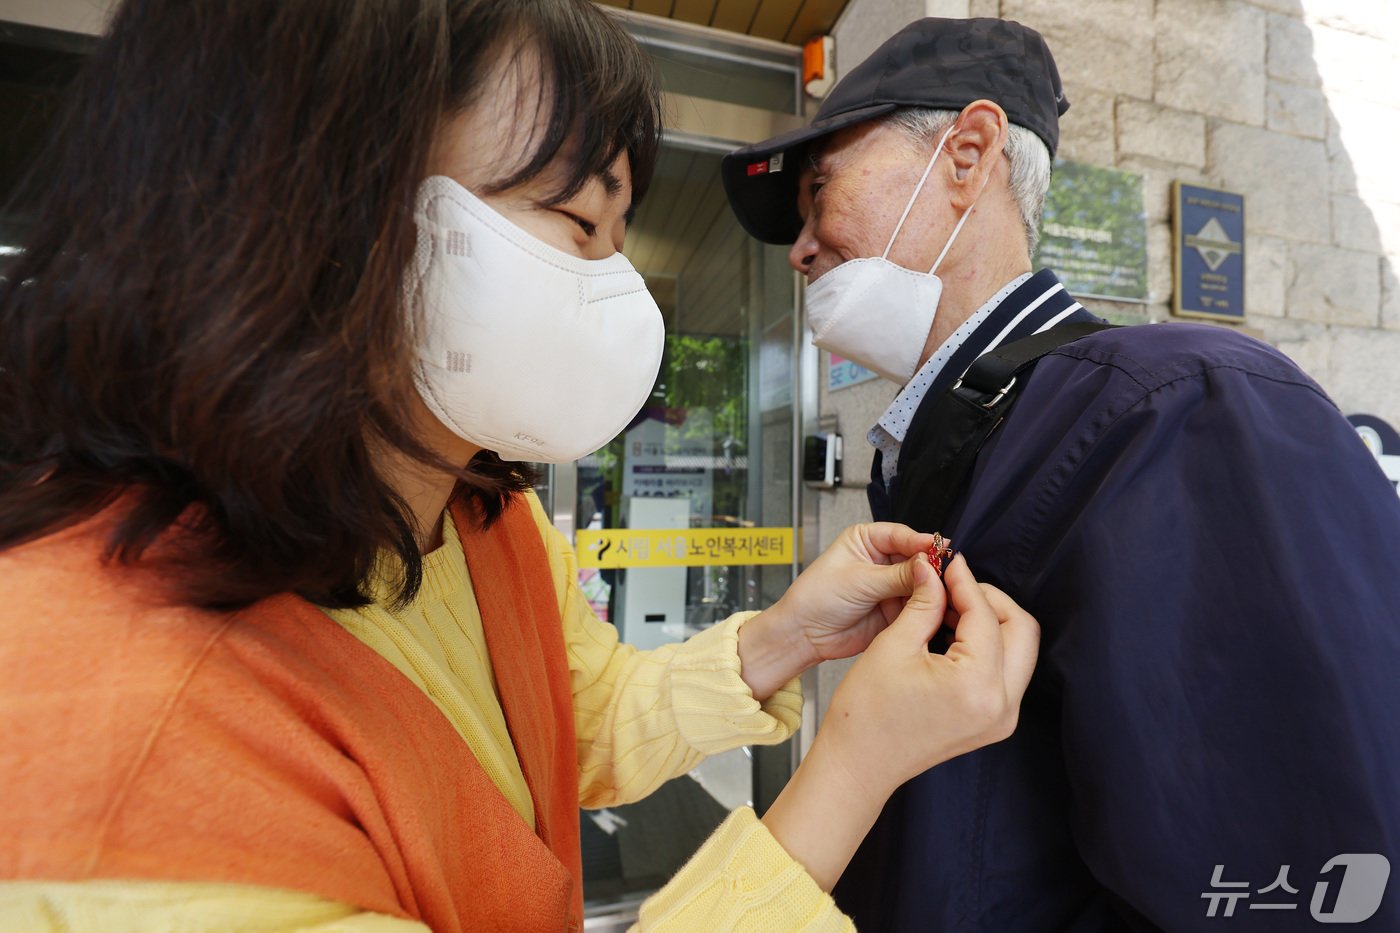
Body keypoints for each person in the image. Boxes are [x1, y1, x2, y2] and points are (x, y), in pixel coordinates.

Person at [0, 2, 1042, 931]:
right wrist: (850, 765)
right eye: (578, 222)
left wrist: (780, 641)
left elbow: (567, 729)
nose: (617, 292)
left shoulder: (469, 519)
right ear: (319, 206)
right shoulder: (118, 766)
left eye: (620, 233)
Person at [722, 15, 1400, 932]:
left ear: (967, 155)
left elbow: (1311, 871)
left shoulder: (1178, 410)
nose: (800, 247)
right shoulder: (951, 443)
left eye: (821, 189)